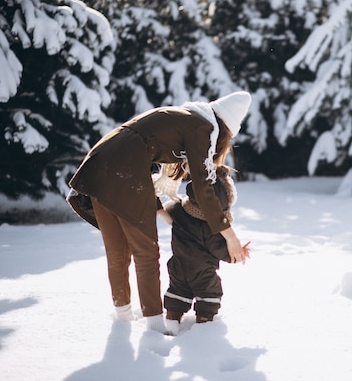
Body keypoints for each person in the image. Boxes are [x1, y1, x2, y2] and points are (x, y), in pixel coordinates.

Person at [66, 91, 252, 333]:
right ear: (225, 130)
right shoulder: (202, 127)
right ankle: (154, 326)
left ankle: (123, 317)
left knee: (119, 251)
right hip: (125, 170)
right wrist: (230, 235)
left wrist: (164, 212)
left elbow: (136, 150)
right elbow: (203, 185)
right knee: (146, 252)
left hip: (101, 162)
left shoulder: (184, 117)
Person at [157, 159, 249, 336]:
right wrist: (237, 256)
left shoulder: (179, 210)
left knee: (177, 291)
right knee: (209, 293)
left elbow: (169, 217)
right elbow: (220, 250)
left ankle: (172, 319)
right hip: (202, 272)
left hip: (178, 266)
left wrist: (158, 209)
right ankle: (204, 324)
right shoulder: (212, 228)